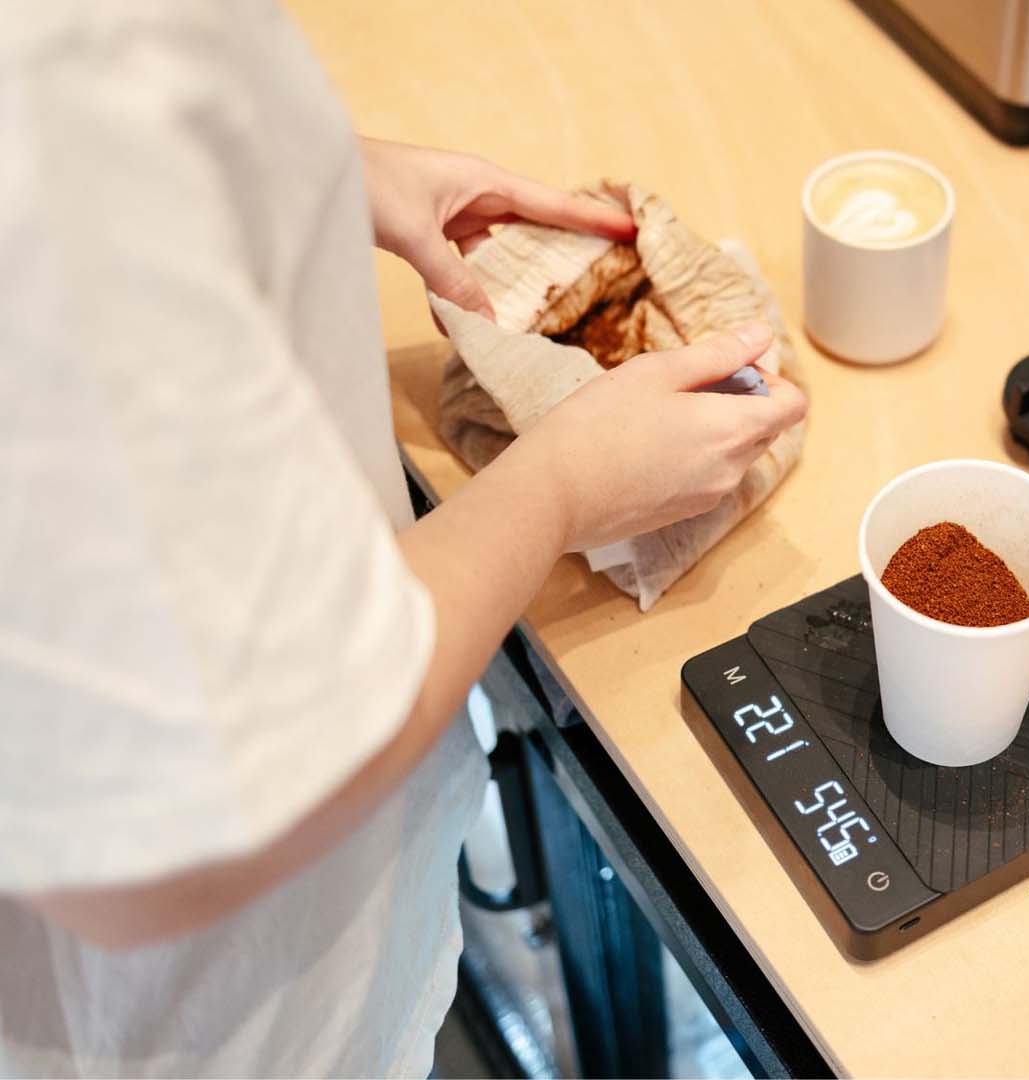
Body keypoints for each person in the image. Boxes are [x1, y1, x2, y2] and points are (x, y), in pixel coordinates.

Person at [0, 3, 807, 1075]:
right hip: (216, 1020)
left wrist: (285, 169)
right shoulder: (53, 99)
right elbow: (176, 824)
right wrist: (561, 486)